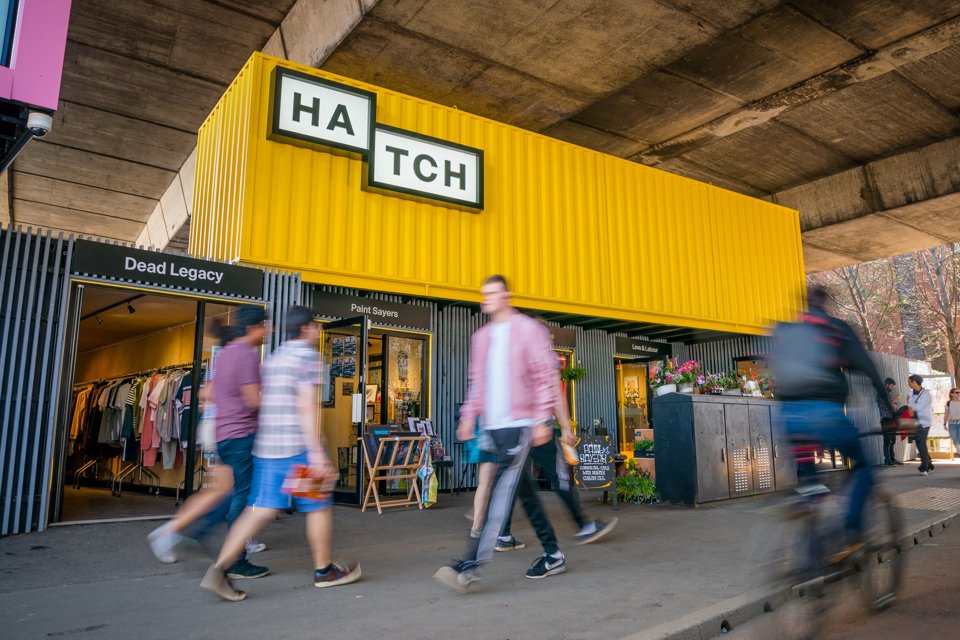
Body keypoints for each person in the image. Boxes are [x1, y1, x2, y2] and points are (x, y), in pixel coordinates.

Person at [200, 306, 360, 602]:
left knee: (258, 509)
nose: (317, 331)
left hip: (267, 449)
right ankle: (324, 571)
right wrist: (317, 453)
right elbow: (307, 406)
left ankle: (219, 567)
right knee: (317, 506)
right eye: (315, 326)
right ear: (306, 329)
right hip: (298, 449)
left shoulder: (273, 358)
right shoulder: (308, 357)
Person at [434, 274, 564, 592]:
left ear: (506, 296)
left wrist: (540, 420)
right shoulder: (482, 337)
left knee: (501, 490)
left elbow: (543, 375)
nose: (486, 299)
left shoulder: (528, 330)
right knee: (526, 494)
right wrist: (468, 416)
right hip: (495, 427)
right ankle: (553, 554)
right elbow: (478, 382)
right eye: (483, 294)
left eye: (492, 293)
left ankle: (472, 563)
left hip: (520, 424)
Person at [148, 306, 270, 581]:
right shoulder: (247, 355)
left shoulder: (225, 355)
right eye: (264, 325)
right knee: (242, 496)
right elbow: (252, 400)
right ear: (253, 328)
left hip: (223, 434)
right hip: (240, 434)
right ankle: (235, 557)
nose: (267, 331)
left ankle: (197, 533)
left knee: (228, 492)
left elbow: (210, 393)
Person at [772, 285, 893, 556]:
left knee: (811, 486)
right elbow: (867, 368)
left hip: (789, 418)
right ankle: (851, 530)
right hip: (824, 415)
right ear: (826, 304)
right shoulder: (834, 328)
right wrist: (891, 411)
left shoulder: (788, 333)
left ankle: (813, 558)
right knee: (863, 465)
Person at [496, 357, 617, 550]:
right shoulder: (540, 350)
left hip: (512, 428)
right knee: (560, 476)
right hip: (539, 427)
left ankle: (502, 534)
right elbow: (555, 392)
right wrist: (567, 428)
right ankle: (584, 526)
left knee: (516, 480)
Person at [907, 374, 933, 475]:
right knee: (919, 444)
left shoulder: (926, 394)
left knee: (921, 444)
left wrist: (911, 405)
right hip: (914, 423)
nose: (908, 383)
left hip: (924, 423)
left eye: (909, 381)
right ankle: (928, 463)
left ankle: (925, 467)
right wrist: (912, 406)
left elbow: (919, 407)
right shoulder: (910, 392)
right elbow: (910, 407)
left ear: (914, 382)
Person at [878, 378, 901, 466]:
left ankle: (892, 459)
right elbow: (886, 405)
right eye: (891, 386)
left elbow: (893, 407)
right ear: (887, 384)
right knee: (887, 440)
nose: (892, 388)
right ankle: (887, 460)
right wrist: (894, 400)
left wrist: (894, 404)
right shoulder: (881, 394)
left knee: (893, 440)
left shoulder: (889, 395)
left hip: (892, 419)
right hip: (885, 420)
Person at [945, 388, 960, 459]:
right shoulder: (948, 403)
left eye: (959, 392)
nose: (959, 394)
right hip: (952, 424)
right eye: (957, 392)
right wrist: (944, 423)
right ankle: (959, 450)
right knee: (954, 438)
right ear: (952, 394)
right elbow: (946, 414)